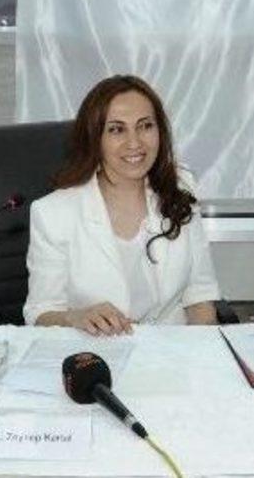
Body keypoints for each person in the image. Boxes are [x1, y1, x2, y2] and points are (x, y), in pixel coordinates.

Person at [23, 75, 222, 333]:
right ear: (94, 138)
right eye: (117, 129)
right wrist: (75, 317)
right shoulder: (53, 213)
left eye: (145, 126)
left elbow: (199, 295)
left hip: (173, 348)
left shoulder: (180, 189)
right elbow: (40, 312)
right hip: (96, 350)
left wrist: (207, 351)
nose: (134, 143)